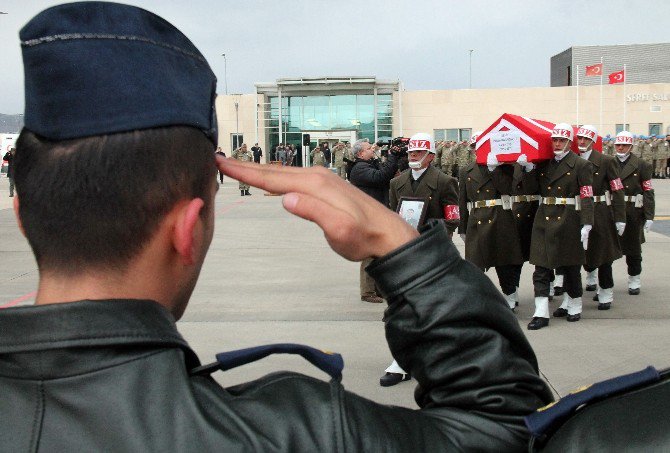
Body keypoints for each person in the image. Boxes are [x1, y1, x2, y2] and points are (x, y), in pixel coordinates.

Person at [0, 3, 554, 451]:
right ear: (188, 230)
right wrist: (399, 246)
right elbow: (503, 428)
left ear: (23, 215)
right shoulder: (294, 431)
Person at [383, 133, 460, 386]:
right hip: (406, 252)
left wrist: (435, 237)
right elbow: (395, 215)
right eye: (410, 153)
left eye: (418, 153)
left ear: (431, 156)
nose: (413, 157)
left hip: (433, 250)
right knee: (403, 306)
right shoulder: (398, 183)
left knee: (435, 306)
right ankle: (402, 359)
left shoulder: (446, 181)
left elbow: (453, 218)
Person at [518, 123, 594, 330]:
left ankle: (574, 303)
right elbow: (532, 189)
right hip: (544, 218)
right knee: (541, 267)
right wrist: (527, 169)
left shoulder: (581, 165)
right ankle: (541, 312)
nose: (558, 144)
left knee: (570, 265)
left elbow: (587, 194)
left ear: (570, 142)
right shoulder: (545, 164)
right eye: (555, 140)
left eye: (562, 140)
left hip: (569, 217)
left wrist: (587, 222)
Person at [459, 132, 524, 310]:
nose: (477, 150)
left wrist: (494, 170)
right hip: (477, 219)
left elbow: (506, 189)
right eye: (474, 147)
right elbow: (462, 200)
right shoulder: (466, 170)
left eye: (481, 147)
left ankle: (510, 294)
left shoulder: (505, 167)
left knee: (504, 262)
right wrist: (462, 227)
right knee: (475, 264)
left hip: (500, 217)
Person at [571, 125, 625, 311]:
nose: (582, 142)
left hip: (600, 211)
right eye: (580, 138)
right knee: (576, 254)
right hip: (577, 210)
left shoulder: (606, 161)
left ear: (594, 141)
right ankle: (573, 294)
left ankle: (606, 292)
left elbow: (617, 189)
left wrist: (620, 217)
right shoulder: (572, 160)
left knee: (603, 255)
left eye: (587, 139)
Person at [349, 138, 399, 304]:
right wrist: (392, 156)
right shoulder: (359, 169)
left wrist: (380, 155)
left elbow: (383, 171)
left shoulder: (367, 165)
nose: (373, 149)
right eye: (369, 148)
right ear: (361, 153)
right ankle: (367, 291)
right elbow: (382, 176)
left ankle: (377, 289)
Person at [614, 131, 655, 295]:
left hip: (633, 211)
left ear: (631, 146)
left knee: (633, 249)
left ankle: (634, 279)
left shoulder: (642, 165)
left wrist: (649, 215)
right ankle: (599, 280)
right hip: (613, 209)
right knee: (606, 247)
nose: (621, 148)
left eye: (624, 145)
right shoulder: (608, 163)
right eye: (618, 145)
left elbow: (648, 191)